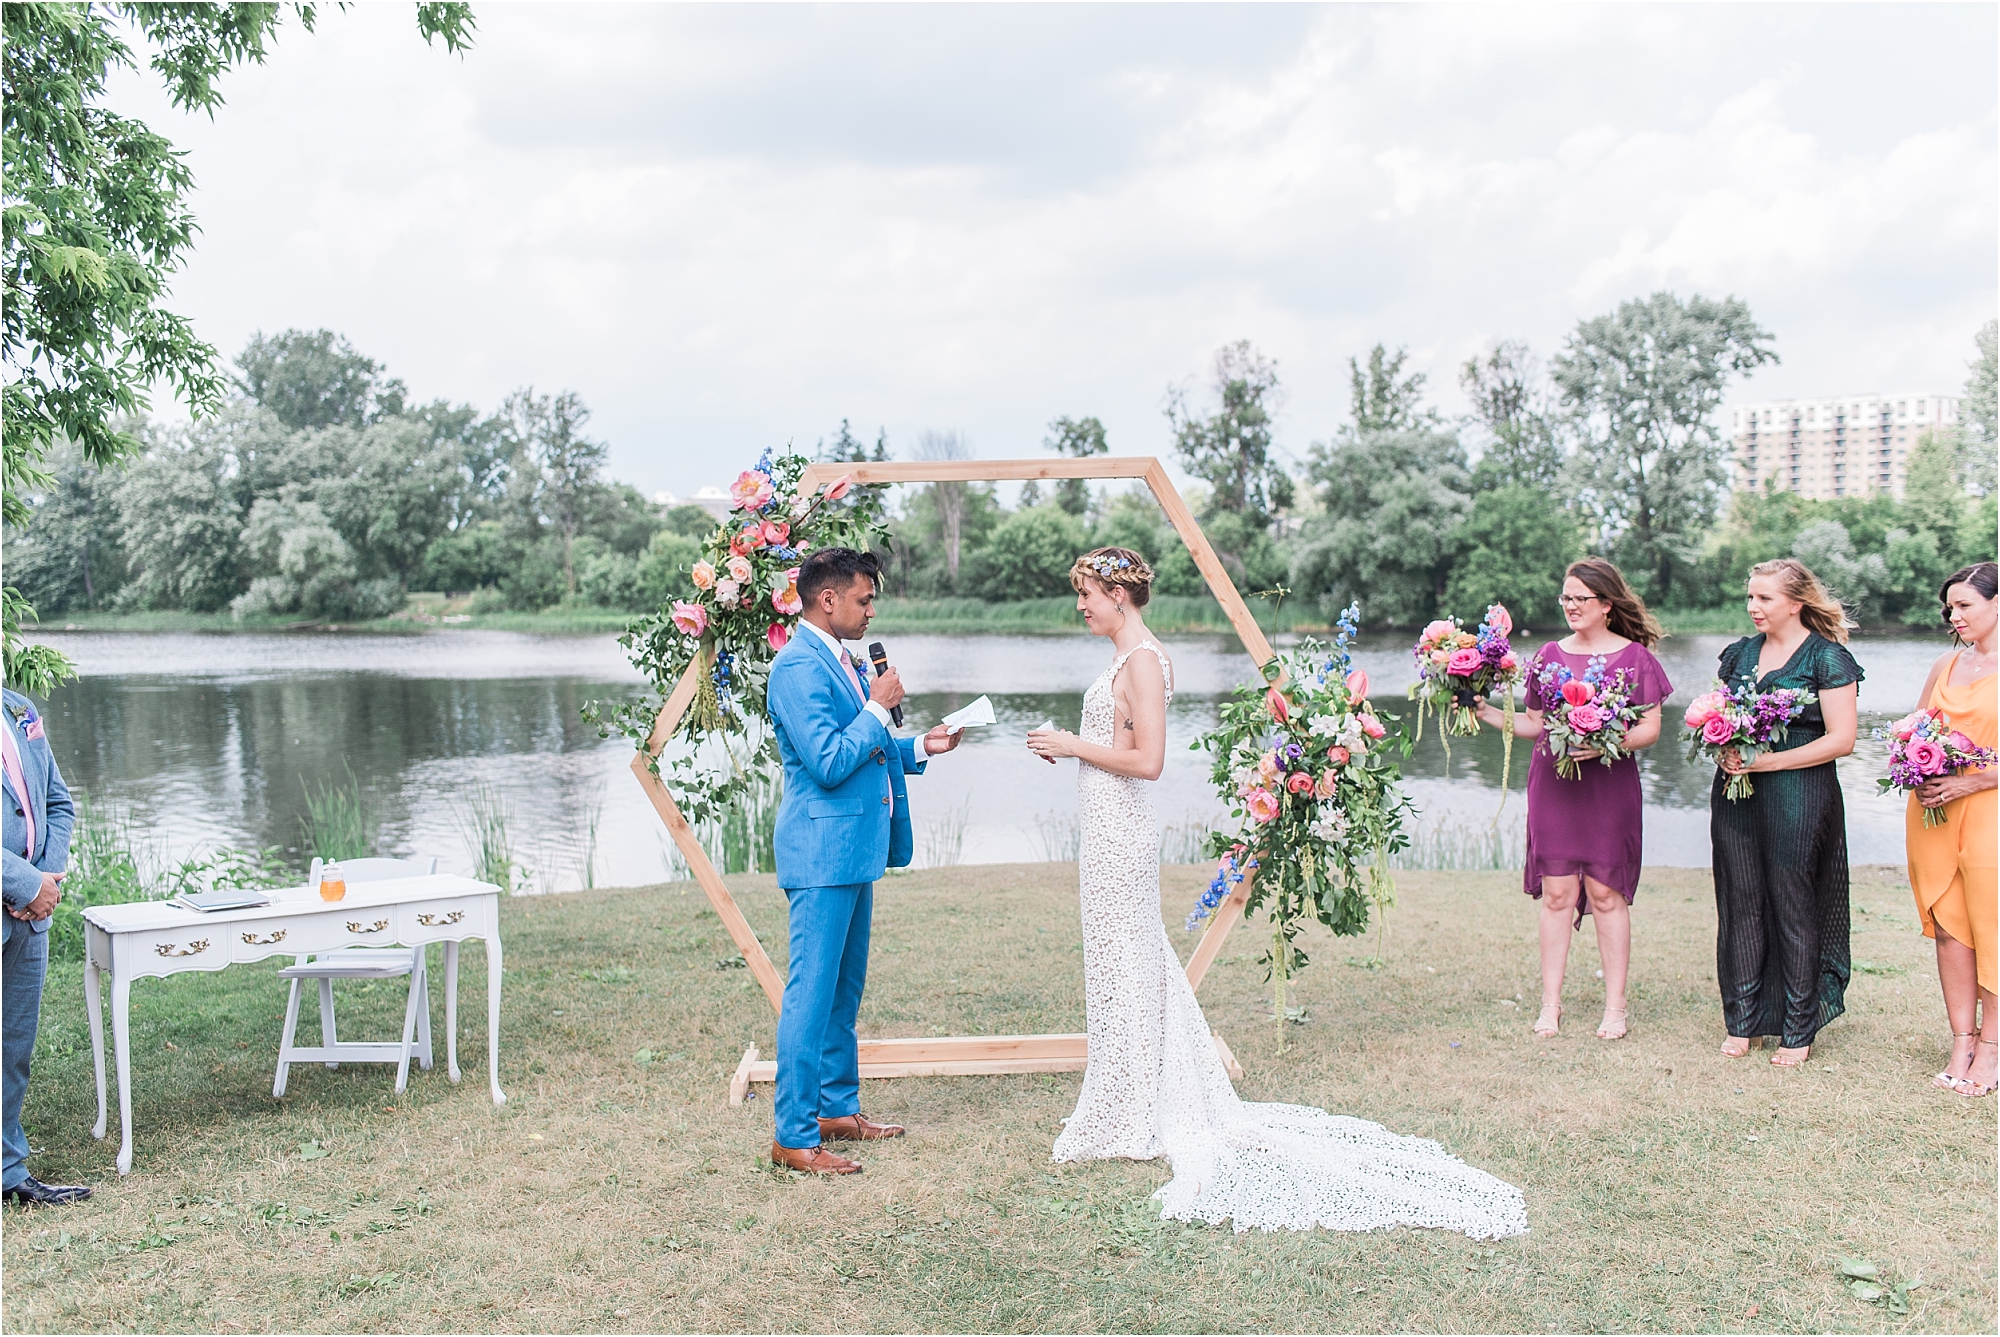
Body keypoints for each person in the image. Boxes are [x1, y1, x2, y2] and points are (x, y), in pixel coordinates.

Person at [1026, 548, 1527, 1237]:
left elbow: (1148, 761)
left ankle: (1138, 1103)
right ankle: (1127, 1097)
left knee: (1130, 957)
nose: (1081, 605)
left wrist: (1071, 743)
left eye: (1087, 593)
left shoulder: (1143, 659)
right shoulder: (1126, 657)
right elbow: (1119, 741)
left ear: (1120, 593)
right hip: (1106, 824)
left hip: (1123, 827)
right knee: (1121, 960)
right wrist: (1072, 746)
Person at [763, 547, 961, 1175]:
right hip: (821, 854)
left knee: (843, 993)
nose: (872, 610)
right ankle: (794, 1135)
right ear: (828, 600)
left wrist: (917, 746)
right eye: (864, 599)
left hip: (853, 851)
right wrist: (877, 705)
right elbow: (826, 760)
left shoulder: (838, 659)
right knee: (810, 996)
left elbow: (865, 750)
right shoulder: (796, 667)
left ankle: (835, 1110)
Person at [1475, 558, 1672, 1041]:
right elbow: (1536, 725)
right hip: (1554, 785)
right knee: (1558, 893)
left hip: (1608, 785)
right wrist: (1481, 710)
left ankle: (1615, 1009)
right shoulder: (1546, 655)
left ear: (1607, 604)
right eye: (1565, 598)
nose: (1571, 607)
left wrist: (1607, 740)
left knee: (1606, 893)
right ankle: (1550, 1006)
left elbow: (1649, 730)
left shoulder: (1635, 659)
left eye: (1581, 599)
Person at [1710, 558, 1863, 1067]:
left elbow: (1842, 740)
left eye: (1765, 598)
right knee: (1741, 899)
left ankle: (1799, 1027)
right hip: (1738, 795)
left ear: (1796, 603)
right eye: (1750, 597)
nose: (1754, 607)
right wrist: (1723, 749)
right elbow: (1724, 718)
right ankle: (1744, 1020)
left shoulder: (1827, 657)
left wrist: (1767, 761)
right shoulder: (1738, 656)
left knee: (1793, 901)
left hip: (1801, 791)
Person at [1905, 561, 1998, 1097]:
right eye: (1951, 607)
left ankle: (1992, 1049)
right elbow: (1914, 732)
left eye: (1965, 605)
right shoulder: (1944, 663)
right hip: (1934, 812)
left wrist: (1972, 783)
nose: (1954, 615)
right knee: (1949, 925)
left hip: (1990, 811)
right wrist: (1915, 770)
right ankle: (1962, 1039)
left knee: (1992, 925)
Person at [3, 687, 89, 1206]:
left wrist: (44, 880)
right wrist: (25, 884)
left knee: (12, 1052)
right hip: (22, 896)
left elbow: (58, 801)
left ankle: (8, 1173)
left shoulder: (19, 709)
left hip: (28, 920)